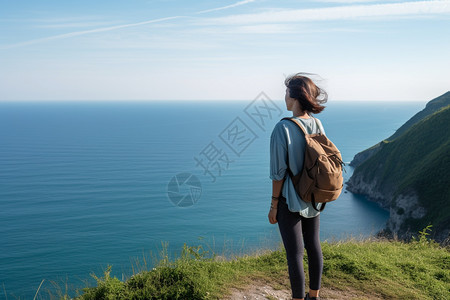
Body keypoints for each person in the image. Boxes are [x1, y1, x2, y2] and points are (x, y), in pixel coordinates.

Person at [268, 73, 327, 300]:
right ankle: (314, 295)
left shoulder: (281, 129)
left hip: (290, 199)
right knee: (313, 246)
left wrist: (274, 205)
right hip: (314, 196)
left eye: (286, 92)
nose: (284, 96)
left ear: (293, 96)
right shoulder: (316, 123)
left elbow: (278, 173)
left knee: (294, 253)